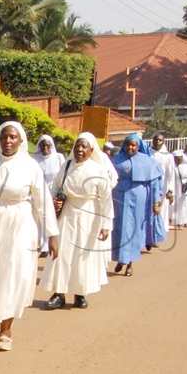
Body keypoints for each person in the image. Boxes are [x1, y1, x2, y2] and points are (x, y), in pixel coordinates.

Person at [0, 122, 58, 352]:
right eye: (4, 137)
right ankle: (0, 316)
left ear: (21, 140)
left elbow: (43, 201)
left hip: (21, 224)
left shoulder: (30, 166)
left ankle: (6, 329)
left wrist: (52, 234)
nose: (8, 141)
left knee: (16, 273)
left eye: (13, 137)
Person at [39, 132, 114, 310]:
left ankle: (80, 294)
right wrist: (54, 200)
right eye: (77, 145)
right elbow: (55, 187)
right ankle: (58, 294)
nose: (80, 149)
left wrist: (105, 226)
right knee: (62, 254)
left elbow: (105, 200)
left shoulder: (98, 170)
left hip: (90, 217)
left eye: (84, 146)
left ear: (91, 149)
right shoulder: (67, 166)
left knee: (83, 256)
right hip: (68, 214)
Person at [110, 134, 163, 277]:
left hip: (139, 199)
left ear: (138, 146)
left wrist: (156, 203)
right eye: (128, 144)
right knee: (119, 228)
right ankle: (120, 259)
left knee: (134, 230)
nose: (130, 147)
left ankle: (129, 264)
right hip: (119, 198)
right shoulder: (116, 160)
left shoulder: (147, 161)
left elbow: (154, 184)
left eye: (133, 145)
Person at [32, 135, 66, 255]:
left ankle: (50, 244)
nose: (45, 147)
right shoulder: (35, 159)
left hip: (54, 192)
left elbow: (63, 175)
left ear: (51, 145)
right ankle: (43, 245)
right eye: (42, 145)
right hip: (40, 193)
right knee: (41, 219)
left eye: (48, 145)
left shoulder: (58, 157)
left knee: (52, 218)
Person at [150, 133, 176, 232]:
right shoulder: (148, 154)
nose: (157, 142)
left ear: (163, 142)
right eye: (156, 140)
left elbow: (171, 175)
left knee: (161, 211)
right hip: (150, 185)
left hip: (163, 186)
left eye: (160, 140)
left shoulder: (168, 156)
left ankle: (158, 233)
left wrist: (170, 190)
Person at [172, 150, 187, 227]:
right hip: (175, 187)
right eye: (177, 159)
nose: (179, 161)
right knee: (176, 204)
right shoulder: (173, 167)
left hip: (186, 188)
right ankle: (178, 221)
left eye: (180, 159)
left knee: (186, 203)